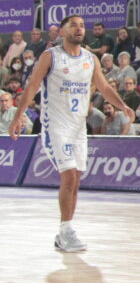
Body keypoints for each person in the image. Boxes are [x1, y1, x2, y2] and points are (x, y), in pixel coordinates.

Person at [8, 15, 133, 252]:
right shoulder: (50, 56)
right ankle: (66, 230)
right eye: (73, 25)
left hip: (78, 128)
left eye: (82, 25)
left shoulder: (90, 58)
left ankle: (65, 231)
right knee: (68, 175)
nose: (79, 28)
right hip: (56, 126)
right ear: (62, 31)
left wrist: (121, 105)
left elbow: (104, 87)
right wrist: (17, 117)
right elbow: (32, 86)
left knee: (76, 178)